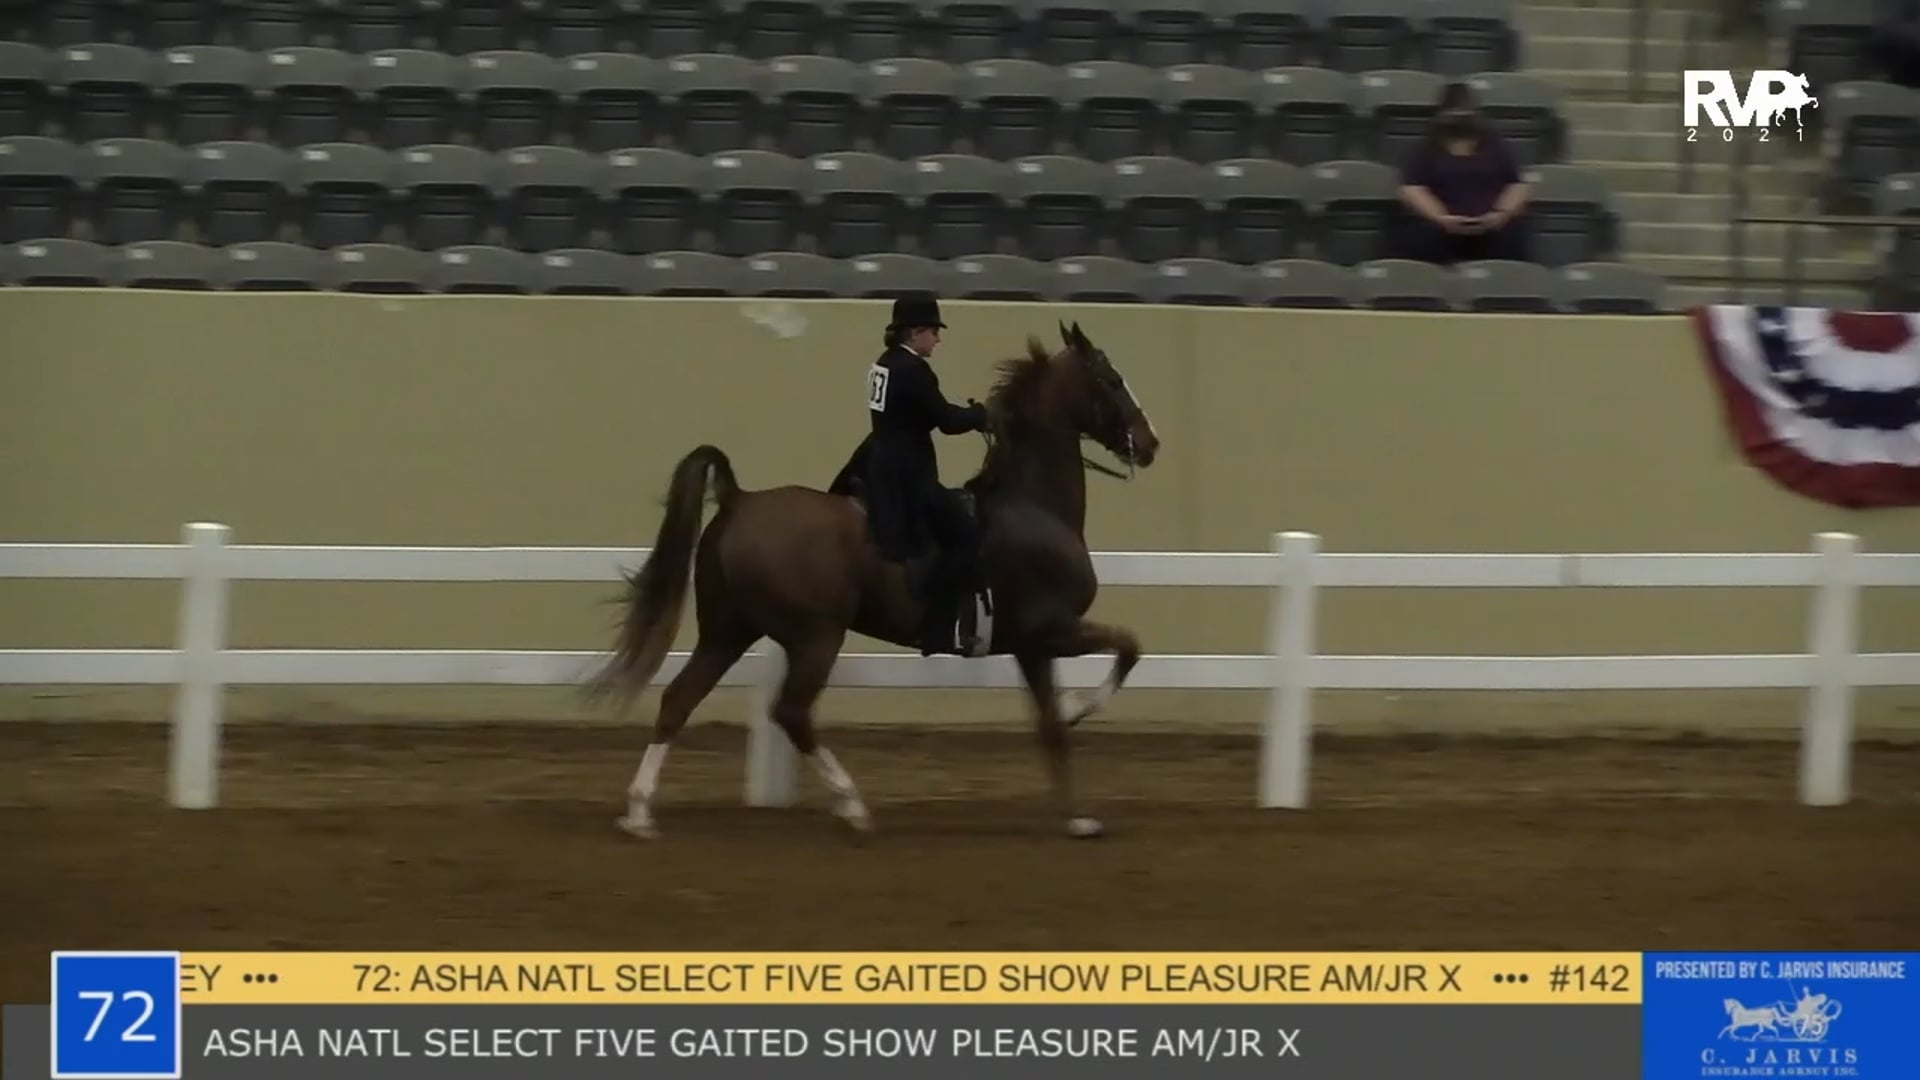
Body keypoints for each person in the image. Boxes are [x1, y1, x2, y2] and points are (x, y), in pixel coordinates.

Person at [828, 292, 991, 657]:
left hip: (875, 460)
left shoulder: (883, 364)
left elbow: (907, 416)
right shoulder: (914, 370)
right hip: (906, 473)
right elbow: (946, 420)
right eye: (934, 331)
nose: (938, 339)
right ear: (915, 333)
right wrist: (981, 416)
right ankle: (936, 626)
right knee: (966, 535)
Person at [1396, 82, 1532, 265]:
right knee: (1422, 235)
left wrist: (1500, 214)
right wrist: (1441, 218)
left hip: (1491, 224)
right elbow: (1412, 187)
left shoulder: (1495, 145)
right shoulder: (1427, 147)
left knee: (1512, 234)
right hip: (1442, 225)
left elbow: (1516, 184)